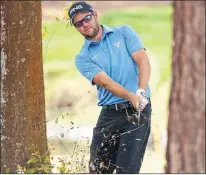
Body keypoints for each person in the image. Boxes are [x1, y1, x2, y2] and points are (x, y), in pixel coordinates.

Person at [68, 1, 152, 174]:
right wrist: (131, 96)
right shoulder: (83, 57)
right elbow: (106, 82)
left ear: (95, 14)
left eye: (87, 18)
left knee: (127, 170)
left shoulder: (124, 32)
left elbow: (143, 60)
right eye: (78, 23)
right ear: (76, 28)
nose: (85, 24)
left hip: (138, 111)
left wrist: (141, 92)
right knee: (98, 170)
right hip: (110, 115)